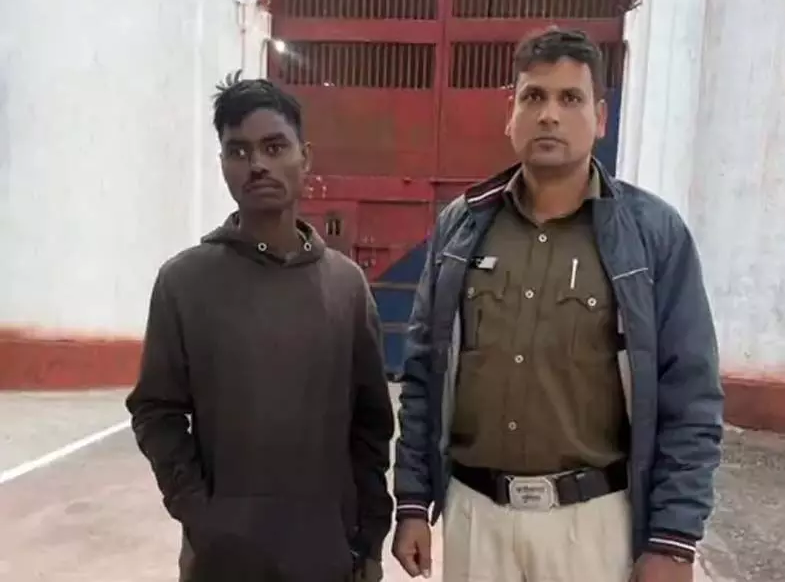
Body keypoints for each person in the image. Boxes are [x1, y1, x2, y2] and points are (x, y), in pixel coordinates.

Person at [391, 28, 723, 582]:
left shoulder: (652, 236)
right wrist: (411, 503)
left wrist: (673, 541)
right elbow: (424, 374)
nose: (549, 115)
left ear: (600, 118)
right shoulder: (463, 227)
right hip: (476, 521)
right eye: (534, 97)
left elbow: (689, 396)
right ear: (511, 113)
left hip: (592, 527)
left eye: (570, 98)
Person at [126, 73, 394, 582]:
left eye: (274, 147)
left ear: (304, 157)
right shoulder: (184, 282)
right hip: (222, 561)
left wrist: (369, 541)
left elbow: (371, 427)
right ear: (223, 164)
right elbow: (156, 412)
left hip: (327, 556)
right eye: (239, 151)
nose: (258, 165)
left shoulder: (346, 287)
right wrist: (202, 518)